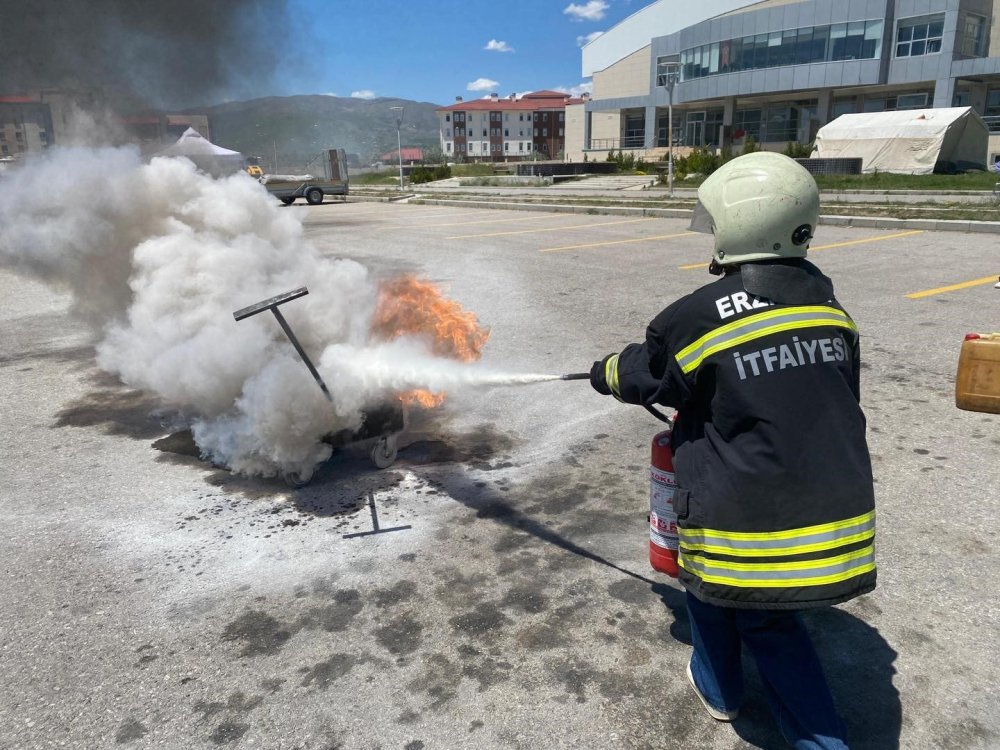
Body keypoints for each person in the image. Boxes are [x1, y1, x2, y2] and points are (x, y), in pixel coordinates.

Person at [590, 152, 876, 750]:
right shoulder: (832, 311)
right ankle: (718, 686)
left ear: (739, 225)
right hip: (839, 510)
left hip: (759, 525)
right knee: (705, 585)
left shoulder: (701, 316)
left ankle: (817, 737)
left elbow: (648, 375)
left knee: (762, 615)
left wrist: (606, 371)